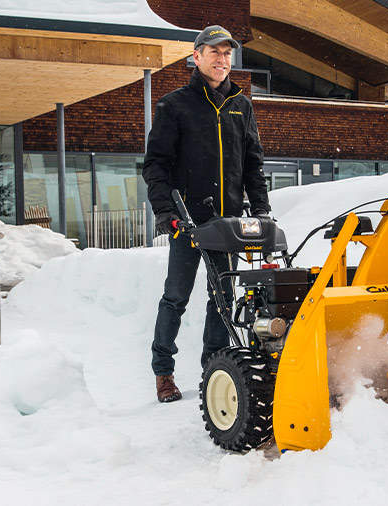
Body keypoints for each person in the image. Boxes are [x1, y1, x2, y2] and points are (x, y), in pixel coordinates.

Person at [143, 25, 271, 403]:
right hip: (187, 221)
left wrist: (261, 210)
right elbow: (156, 165)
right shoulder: (175, 105)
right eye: (214, 52)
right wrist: (167, 212)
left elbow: (252, 163)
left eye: (227, 53)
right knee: (176, 297)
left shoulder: (240, 105)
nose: (222, 59)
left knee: (222, 298)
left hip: (228, 223)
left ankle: (214, 369)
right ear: (196, 57)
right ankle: (163, 372)